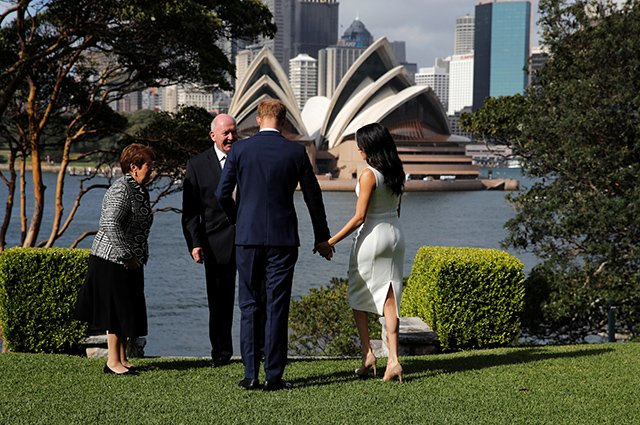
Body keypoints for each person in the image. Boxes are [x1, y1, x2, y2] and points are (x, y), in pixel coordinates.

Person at [216, 99, 333, 391]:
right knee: (277, 305)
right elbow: (312, 197)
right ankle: (274, 375)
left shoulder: (240, 150)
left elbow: (221, 194)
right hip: (283, 240)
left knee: (249, 304)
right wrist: (322, 237)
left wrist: (238, 221)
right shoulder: (296, 151)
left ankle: (250, 373)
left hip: (247, 239)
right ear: (283, 122)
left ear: (258, 119)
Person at [327, 123, 406, 382]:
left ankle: (368, 355)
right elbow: (396, 210)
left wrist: (331, 241)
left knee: (359, 294)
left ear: (369, 146)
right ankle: (393, 360)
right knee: (390, 297)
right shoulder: (397, 171)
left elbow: (360, 217)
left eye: (361, 144)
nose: (358, 148)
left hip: (372, 237)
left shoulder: (368, 174)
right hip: (395, 235)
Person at [75, 143, 155, 375]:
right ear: (134, 167)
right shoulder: (121, 189)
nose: (152, 170)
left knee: (126, 310)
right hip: (112, 260)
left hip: (130, 262)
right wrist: (126, 255)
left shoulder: (139, 189)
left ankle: (122, 358)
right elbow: (110, 223)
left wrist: (135, 257)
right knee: (115, 311)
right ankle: (112, 362)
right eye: (149, 165)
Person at [181, 113, 238, 368]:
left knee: (256, 299)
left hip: (249, 240)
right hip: (215, 244)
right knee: (219, 303)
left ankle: (257, 351)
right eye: (225, 133)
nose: (230, 137)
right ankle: (221, 353)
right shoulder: (196, 165)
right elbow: (191, 211)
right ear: (213, 135)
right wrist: (195, 243)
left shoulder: (245, 156)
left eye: (233, 132)